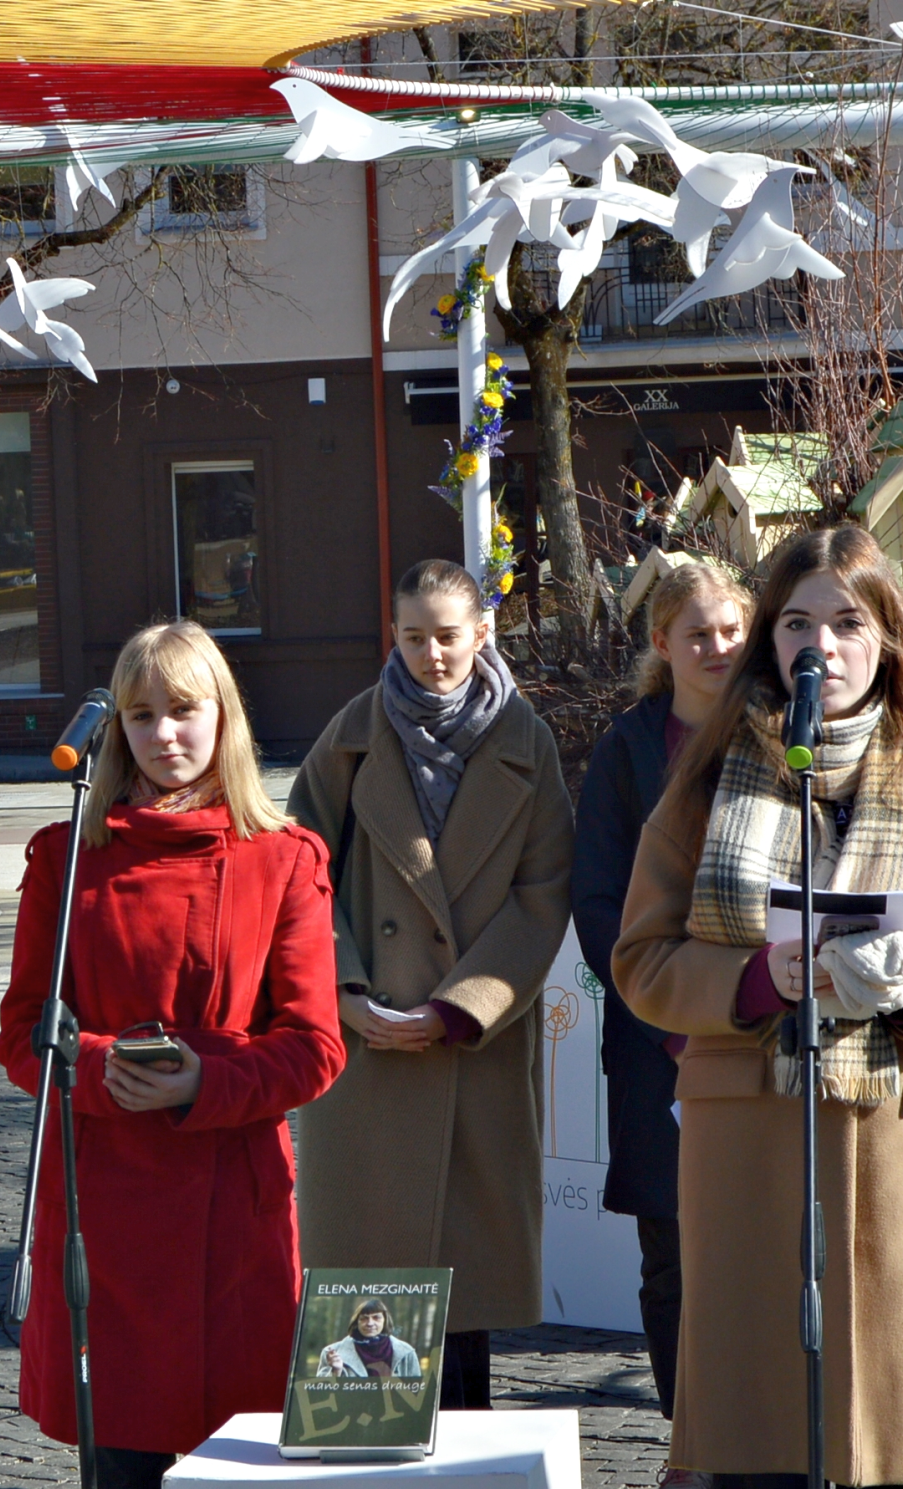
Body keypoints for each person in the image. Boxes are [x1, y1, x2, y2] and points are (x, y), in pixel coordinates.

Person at [614, 524, 903, 1488]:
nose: (823, 646)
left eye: (848, 622)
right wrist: (761, 980)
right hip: (748, 1135)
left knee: (885, 1440)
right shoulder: (704, 782)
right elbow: (640, 957)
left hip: (892, 1137)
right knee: (758, 1435)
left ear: (887, 636)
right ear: (772, 642)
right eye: (798, 623)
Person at [0, 620, 347, 1489]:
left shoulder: (283, 858)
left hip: (235, 1217)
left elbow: (313, 1046)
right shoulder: (67, 858)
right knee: (122, 1460)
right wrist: (113, 1068)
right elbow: (22, 1035)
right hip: (105, 1217)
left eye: (184, 710)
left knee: (242, 1460)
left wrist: (205, 1080)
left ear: (223, 716)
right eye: (142, 714)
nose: (164, 735)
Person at [291, 559, 574, 1413]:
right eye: (412, 636)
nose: (431, 654)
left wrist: (459, 1008)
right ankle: (365, 1459)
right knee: (366, 1288)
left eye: (448, 635)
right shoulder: (349, 734)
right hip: (369, 1047)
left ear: (482, 632)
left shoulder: (527, 741)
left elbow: (543, 895)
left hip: (471, 1047)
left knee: (465, 1293)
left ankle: (465, 1449)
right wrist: (346, 993)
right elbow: (300, 876)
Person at [571, 561, 751, 1461]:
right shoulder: (628, 748)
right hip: (659, 1042)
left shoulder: (780, 730)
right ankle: (693, 1442)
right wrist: (669, 1016)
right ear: (662, 644)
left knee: (766, 1250)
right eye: (696, 634)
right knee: (673, 1255)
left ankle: (769, 1437)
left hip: (766, 1028)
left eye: (729, 630)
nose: (717, 648)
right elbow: (596, 899)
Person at [318, 1299, 424, 1379]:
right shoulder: (333, 1352)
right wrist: (335, 1371)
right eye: (364, 1318)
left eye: (376, 1317)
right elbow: (320, 1394)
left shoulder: (406, 1352)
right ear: (356, 1322)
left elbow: (417, 1395)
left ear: (385, 1320)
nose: (370, 1323)